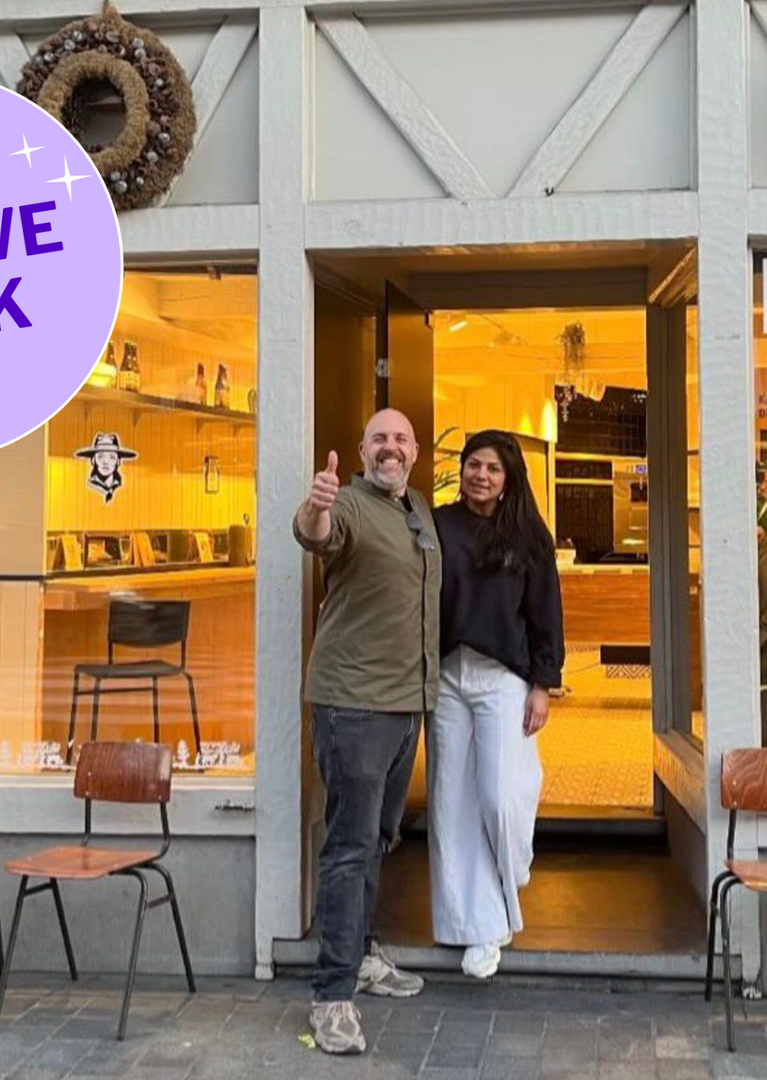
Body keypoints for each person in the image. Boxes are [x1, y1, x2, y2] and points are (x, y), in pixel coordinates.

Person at [292, 408, 441, 1056]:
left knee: (378, 838)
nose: (390, 447)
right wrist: (315, 508)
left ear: (415, 451)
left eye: (400, 439)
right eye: (379, 438)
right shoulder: (347, 504)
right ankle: (331, 996)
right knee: (349, 847)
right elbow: (317, 535)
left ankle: (362, 955)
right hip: (353, 707)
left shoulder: (418, 510)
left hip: (405, 706)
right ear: (361, 451)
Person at [428, 431, 564, 980]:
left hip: (504, 678)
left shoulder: (528, 536)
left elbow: (545, 613)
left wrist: (543, 683)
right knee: (451, 803)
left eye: (492, 468)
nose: (480, 475)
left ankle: (514, 865)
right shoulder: (438, 525)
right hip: (447, 676)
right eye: (473, 465)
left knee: (501, 795)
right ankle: (477, 929)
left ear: (508, 479)